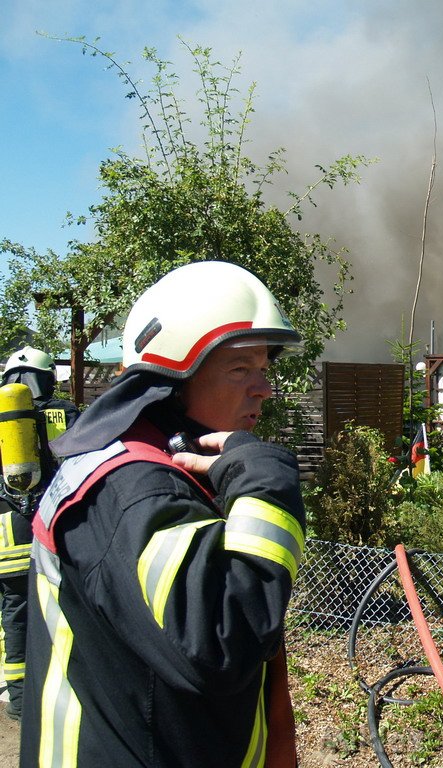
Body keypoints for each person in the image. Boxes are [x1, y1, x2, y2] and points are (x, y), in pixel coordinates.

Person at [20, 261, 306, 767]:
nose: (263, 388)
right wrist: (266, 483)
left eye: (265, 368)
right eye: (241, 368)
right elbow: (225, 641)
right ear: (171, 382)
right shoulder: (132, 491)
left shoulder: (165, 468)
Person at [0, 347, 79, 721]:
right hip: (55, 530)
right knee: (62, 610)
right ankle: (60, 694)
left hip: (7, 535)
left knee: (14, 615)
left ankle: (18, 702)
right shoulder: (64, 412)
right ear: (48, 376)